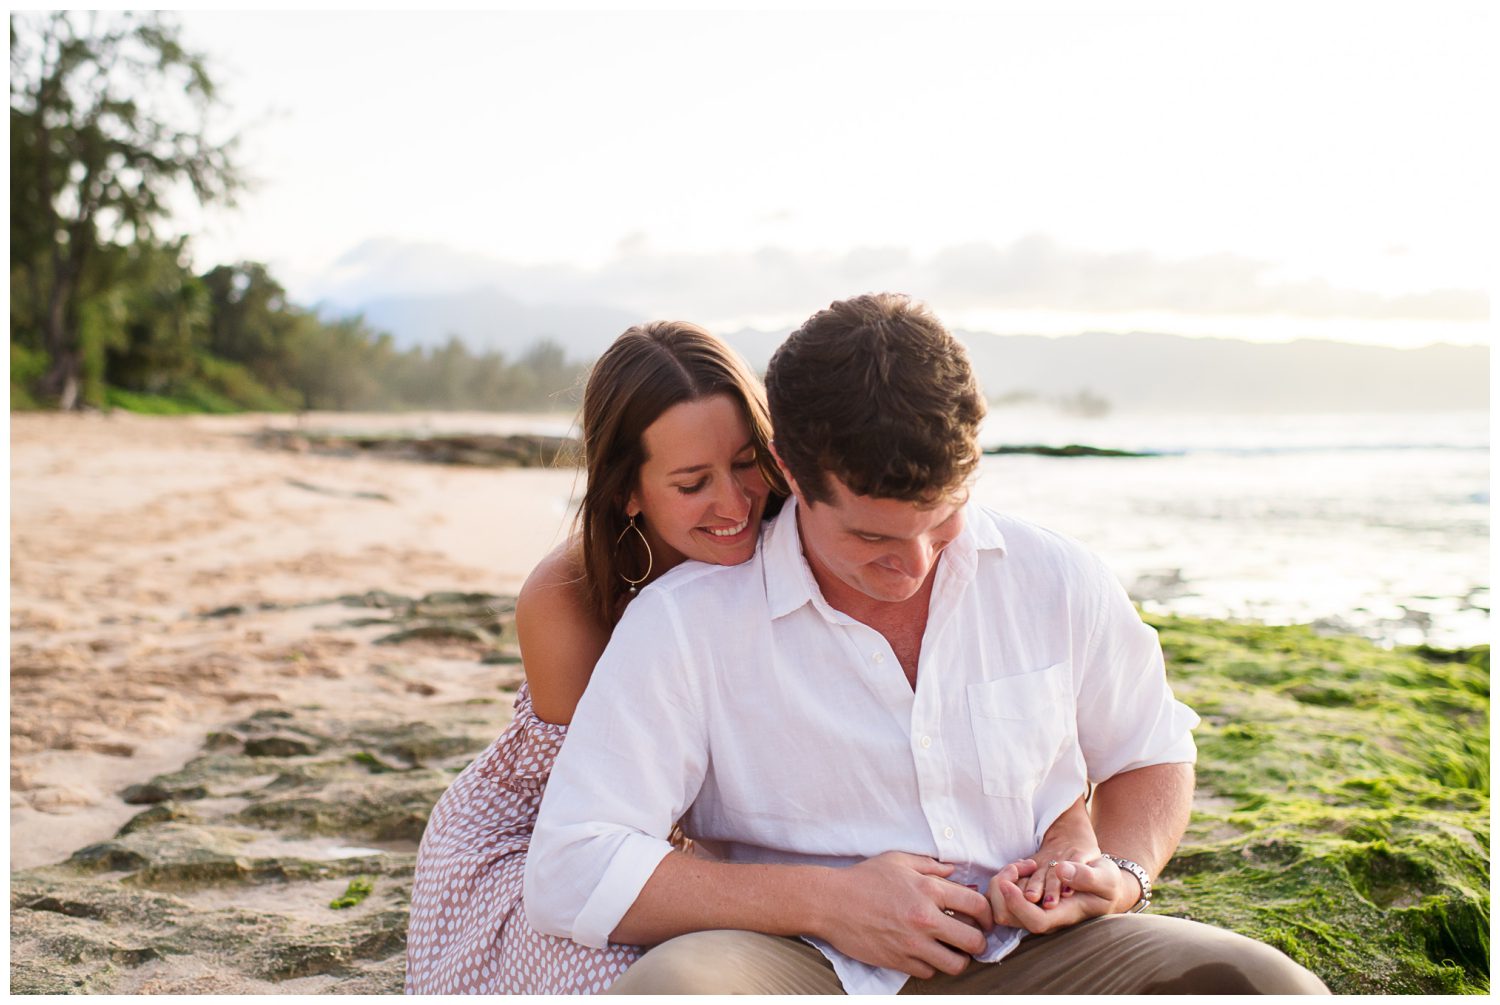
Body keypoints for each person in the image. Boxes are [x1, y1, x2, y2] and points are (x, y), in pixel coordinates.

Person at [524, 293, 1331, 994]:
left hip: (1037, 954)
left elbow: (1150, 753)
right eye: (872, 534)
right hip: (796, 959)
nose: (913, 565)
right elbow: (573, 863)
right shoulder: (683, 622)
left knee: (1273, 985)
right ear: (788, 472)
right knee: (667, 991)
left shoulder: (1056, 576)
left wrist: (1114, 873)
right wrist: (825, 901)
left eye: (943, 519)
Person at [403, 321, 786, 994]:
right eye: (693, 482)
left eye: (747, 460)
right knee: (619, 974)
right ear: (626, 492)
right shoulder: (564, 599)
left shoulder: (793, 533)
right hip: (539, 838)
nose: (733, 502)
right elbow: (596, 824)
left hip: (683, 827)